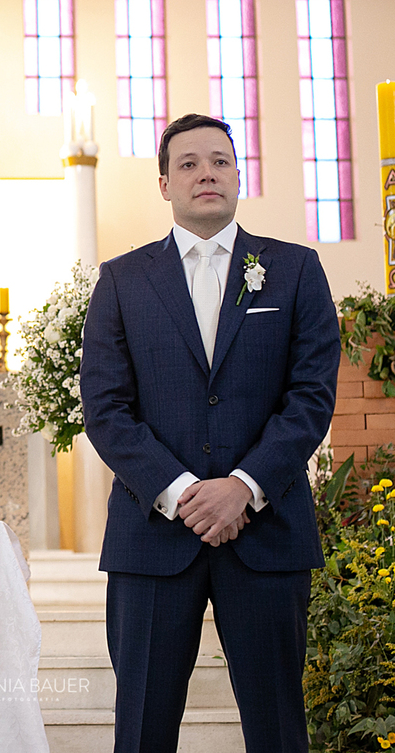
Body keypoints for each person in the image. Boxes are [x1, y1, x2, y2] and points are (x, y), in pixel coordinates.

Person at [79, 113, 340, 753]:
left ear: (237, 174)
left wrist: (244, 487)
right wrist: (181, 492)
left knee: (279, 727)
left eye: (220, 160)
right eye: (189, 163)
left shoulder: (296, 270)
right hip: (153, 538)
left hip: (266, 530)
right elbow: (107, 408)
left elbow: (311, 395)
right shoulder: (122, 281)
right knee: (142, 729)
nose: (207, 173)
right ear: (164, 183)